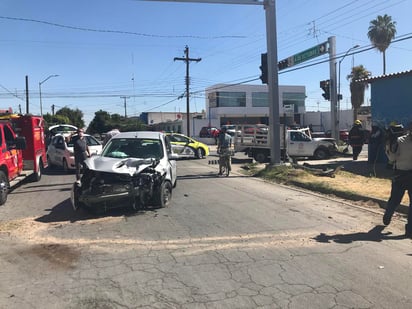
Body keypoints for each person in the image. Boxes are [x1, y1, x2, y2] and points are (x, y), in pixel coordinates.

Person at [383, 122, 412, 238]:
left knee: (395, 199)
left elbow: (391, 158)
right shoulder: (399, 141)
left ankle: (409, 229)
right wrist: (390, 143)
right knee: (395, 199)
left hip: (402, 174)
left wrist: (390, 144)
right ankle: (388, 215)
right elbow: (392, 158)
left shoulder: (399, 141)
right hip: (401, 174)